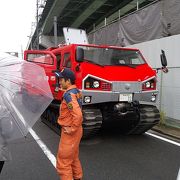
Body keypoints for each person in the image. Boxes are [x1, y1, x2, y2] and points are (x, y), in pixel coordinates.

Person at [55, 68, 83, 180]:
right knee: (73, 158)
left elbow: (78, 115)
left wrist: (72, 129)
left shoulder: (68, 95)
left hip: (70, 132)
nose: (59, 82)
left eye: (61, 79)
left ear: (68, 81)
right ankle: (77, 177)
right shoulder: (77, 91)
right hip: (76, 130)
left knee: (63, 162)